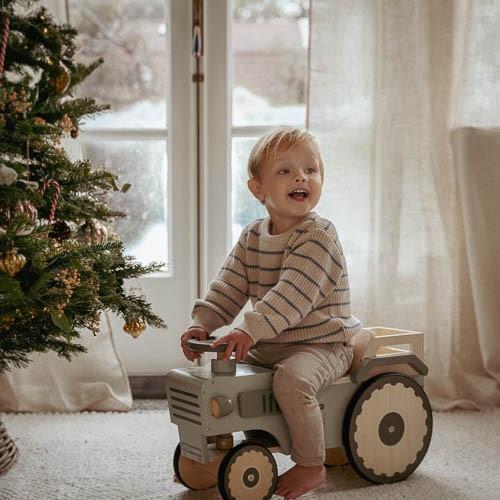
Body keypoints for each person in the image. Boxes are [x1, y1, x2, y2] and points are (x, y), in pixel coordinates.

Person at [180, 126, 362, 499]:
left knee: (292, 381)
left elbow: (292, 294)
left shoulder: (319, 235)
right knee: (225, 379)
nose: (301, 177)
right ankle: (217, 448)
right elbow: (229, 286)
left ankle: (312, 463)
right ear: (258, 190)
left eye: (311, 170)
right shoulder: (252, 237)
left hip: (322, 343)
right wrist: (203, 324)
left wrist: (248, 329)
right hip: (270, 344)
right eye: (285, 171)